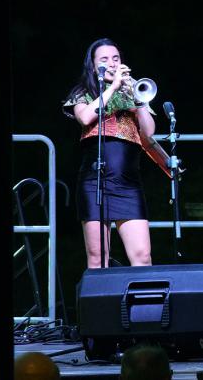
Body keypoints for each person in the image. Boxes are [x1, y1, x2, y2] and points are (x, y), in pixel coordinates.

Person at [63, 38, 155, 268]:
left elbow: (149, 132)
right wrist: (112, 87)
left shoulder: (130, 92)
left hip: (128, 183)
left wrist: (137, 98)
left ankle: (145, 303)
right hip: (94, 181)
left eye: (115, 58)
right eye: (104, 59)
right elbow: (85, 118)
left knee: (142, 256)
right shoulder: (83, 92)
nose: (112, 63)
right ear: (93, 66)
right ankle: (101, 305)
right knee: (97, 257)